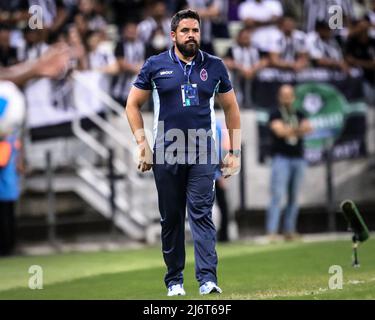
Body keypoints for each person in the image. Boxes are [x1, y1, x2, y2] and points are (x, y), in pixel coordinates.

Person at [125, 9, 241, 296]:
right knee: (172, 218)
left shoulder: (214, 66)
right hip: (167, 153)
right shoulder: (155, 65)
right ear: (173, 35)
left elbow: (231, 108)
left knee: (201, 214)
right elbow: (132, 105)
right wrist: (143, 145)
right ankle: (174, 281)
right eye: (186, 30)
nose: (192, 35)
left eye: (196, 30)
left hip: (203, 153)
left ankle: (207, 280)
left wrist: (234, 150)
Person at [266, 84, 312, 241]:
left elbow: (309, 128)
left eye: (289, 94)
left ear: (293, 97)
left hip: (298, 158)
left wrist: (290, 130)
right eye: (283, 94)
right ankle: (272, 232)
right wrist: (297, 130)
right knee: (277, 195)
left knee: (294, 196)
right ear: (279, 96)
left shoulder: (299, 113)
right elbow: (279, 131)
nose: (286, 97)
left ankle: (289, 230)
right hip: (281, 158)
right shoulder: (274, 113)